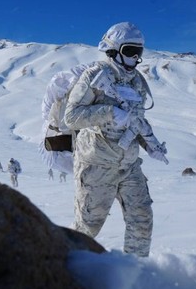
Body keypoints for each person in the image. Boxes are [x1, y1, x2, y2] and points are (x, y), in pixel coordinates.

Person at [63, 22, 168, 257]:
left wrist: (150, 145)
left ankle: (134, 272)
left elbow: (137, 119)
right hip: (97, 165)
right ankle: (63, 270)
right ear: (115, 50)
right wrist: (108, 112)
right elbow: (71, 117)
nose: (136, 58)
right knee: (88, 228)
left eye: (139, 52)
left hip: (129, 165)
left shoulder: (137, 82)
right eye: (130, 51)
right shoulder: (94, 76)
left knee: (141, 220)